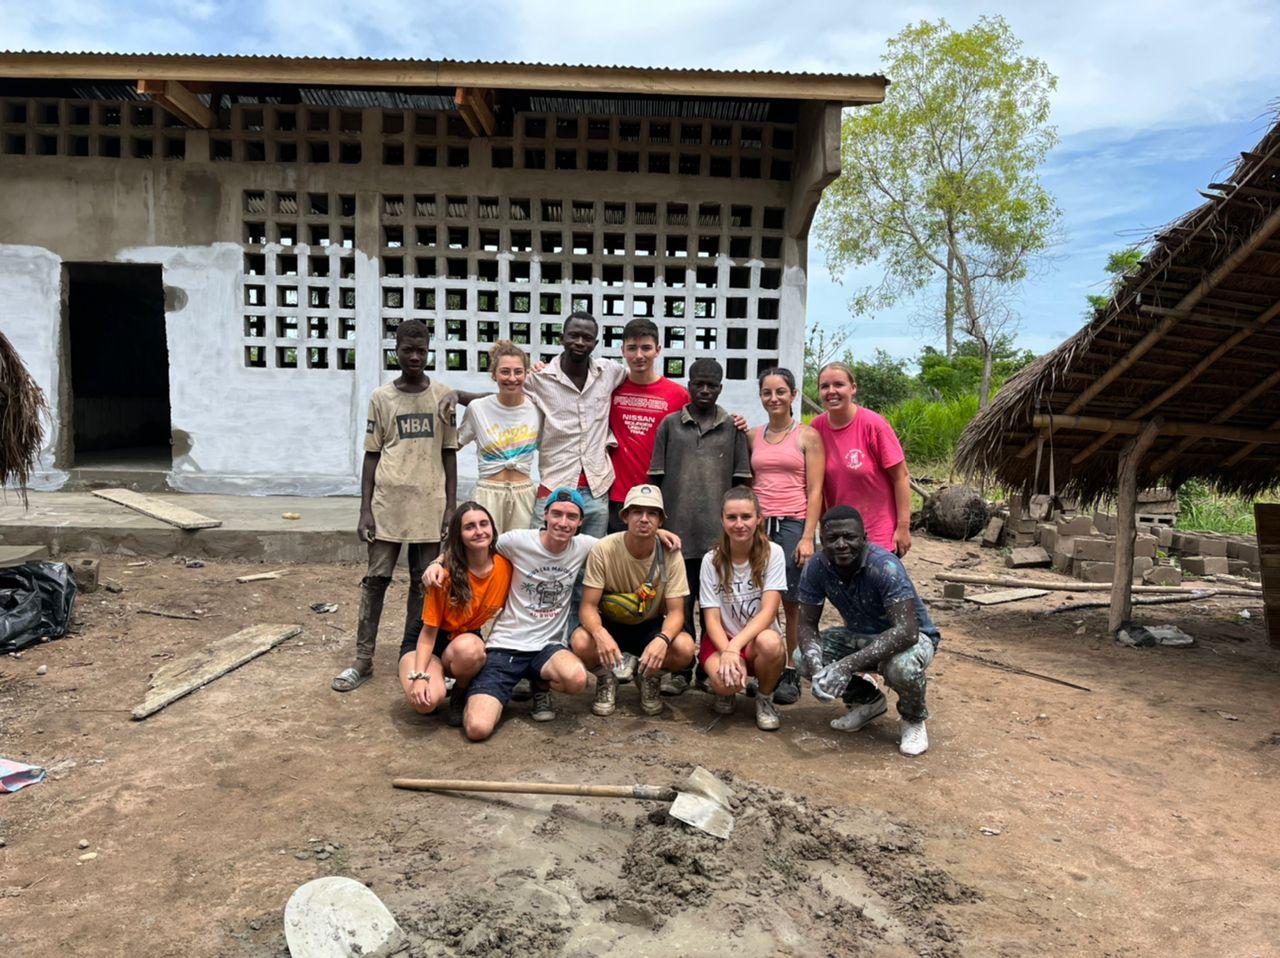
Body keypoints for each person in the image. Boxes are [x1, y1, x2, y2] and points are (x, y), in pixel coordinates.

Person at [332, 318, 456, 692]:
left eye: (421, 350)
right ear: (396, 351)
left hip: (430, 506)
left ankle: (412, 655)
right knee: (375, 581)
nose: (415, 356)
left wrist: (451, 507)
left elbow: (449, 452)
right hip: (388, 505)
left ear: (429, 350)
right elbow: (371, 455)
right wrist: (364, 509)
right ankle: (363, 660)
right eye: (408, 350)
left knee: (426, 586)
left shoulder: (443, 395)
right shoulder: (381, 397)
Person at [795, 506, 941, 757]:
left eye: (849, 537)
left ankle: (913, 718)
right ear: (823, 541)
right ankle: (867, 702)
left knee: (901, 667)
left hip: (913, 639)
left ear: (864, 538)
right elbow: (807, 624)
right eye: (832, 539)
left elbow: (907, 631)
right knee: (802, 658)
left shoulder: (885, 566)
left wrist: (845, 666)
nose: (841, 545)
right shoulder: (816, 567)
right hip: (860, 636)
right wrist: (819, 668)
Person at [648, 357, 752, 694]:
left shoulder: (732, 429)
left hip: (717, 540)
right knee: (679, 603)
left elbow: (741, 484)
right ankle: (681, 669)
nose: (704, 390)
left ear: (721, 388)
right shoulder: (670, 425)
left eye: (712, 385)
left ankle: (710, 668)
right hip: (676, 537)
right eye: (698, 384)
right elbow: (656, 480)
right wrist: (660, 528)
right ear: (688, 385)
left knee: (716, 606)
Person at [571, 483, 695, 716]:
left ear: (660, 521)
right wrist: (600, 634)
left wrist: (663, 639)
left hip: (650, 624)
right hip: (611, 622)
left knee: (684, 648)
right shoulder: (604, 549)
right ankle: (606, 678)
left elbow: (677, 611)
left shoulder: (670, 553)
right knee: (580, 640)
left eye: (652, 513)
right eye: (637, 511)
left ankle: (649, 677)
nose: (644, 519)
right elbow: (588, 606)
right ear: (625, 516)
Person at [748, 367, 825, 706]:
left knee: (792, 601)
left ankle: (790, 668)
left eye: (781, 392)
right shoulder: (753, 435)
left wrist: (809, 536)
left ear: (793, 395)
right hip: (759, 527)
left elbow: (816, 489)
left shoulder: (807, 436)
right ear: (761, 396)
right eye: (767, 392)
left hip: (793, 523)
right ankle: (764, 666)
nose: (774, 398)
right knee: (759, 597)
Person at [401, 502, 510, 727]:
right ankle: (436, 678)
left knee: (470, 649)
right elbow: (428, 634)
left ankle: (460, 691)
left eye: (484, 524)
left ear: (493, 528)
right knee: (427, 703)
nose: (479, 531)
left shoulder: (506, 566)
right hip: (427, 641)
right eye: (469, 527)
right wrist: (420, 676)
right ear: (458, 535)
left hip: (463, 643)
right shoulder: (444, 575)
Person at [699, 487, 787, 731]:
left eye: (746, 517)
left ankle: (765, 697)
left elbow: (768, 611)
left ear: (759, 518)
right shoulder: (711, 560)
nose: (739, 524)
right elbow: (712, 619)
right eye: (732, 517)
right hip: (722, 637)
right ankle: (726, 691)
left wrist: (735, 648)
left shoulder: (774, 553)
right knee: (724, 683)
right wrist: (728, 650)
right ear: (722, 520)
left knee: (771, 642)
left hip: (755, 640)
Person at [810, 361, 913, 557]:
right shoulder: (816, 429)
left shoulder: (873, 425)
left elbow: (901, 476)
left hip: (877, 532)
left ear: (853, 388)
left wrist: (903, 527)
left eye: (838, 384)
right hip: (839, 535)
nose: (831, 391)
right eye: (825, 386)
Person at [606, 318, 689, 533]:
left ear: (658, 350)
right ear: (622, 350)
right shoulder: (610, 389)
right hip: (619, 496)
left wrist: (737, 422)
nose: (639, 355)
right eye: (632, 348)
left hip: (660, 497)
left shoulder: (678, 395)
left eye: (646, 348)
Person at [457, 341, 542, 535]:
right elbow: (454, 444)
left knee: (521, 555)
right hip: (487, 493)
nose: (512, 378)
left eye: (518, 372)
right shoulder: (478, 409)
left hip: (524, 494)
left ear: (526, 374)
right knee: (485, 552)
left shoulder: (537, 409)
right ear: (493, 374)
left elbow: (551, 446)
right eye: (505, 372)